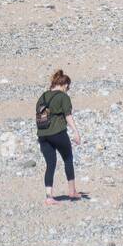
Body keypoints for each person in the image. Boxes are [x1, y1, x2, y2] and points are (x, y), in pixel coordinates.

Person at [36, 69, 82, 206]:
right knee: (68, 159)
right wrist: (76, 132)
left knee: (50, 164)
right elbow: (68, 115)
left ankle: (49, 196)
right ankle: (72, 191)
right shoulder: (63, 97)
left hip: (43, 134)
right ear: (64, 84)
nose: (68, 89)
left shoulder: (43, 97)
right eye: (68, 86)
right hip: (58, 133)